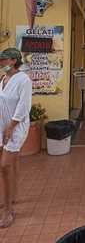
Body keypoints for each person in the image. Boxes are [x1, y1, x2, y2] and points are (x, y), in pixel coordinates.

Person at [0, 48, 32, 228]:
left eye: (3, 60)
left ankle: (8, 211)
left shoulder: (23, 80)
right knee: (11, 163)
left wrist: (11, 127)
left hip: (16, 127)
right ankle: (11, 196)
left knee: (5, 165)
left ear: (13, 61)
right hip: (2, 126)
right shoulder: (3, 79)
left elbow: (24, 106)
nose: (0, 63)